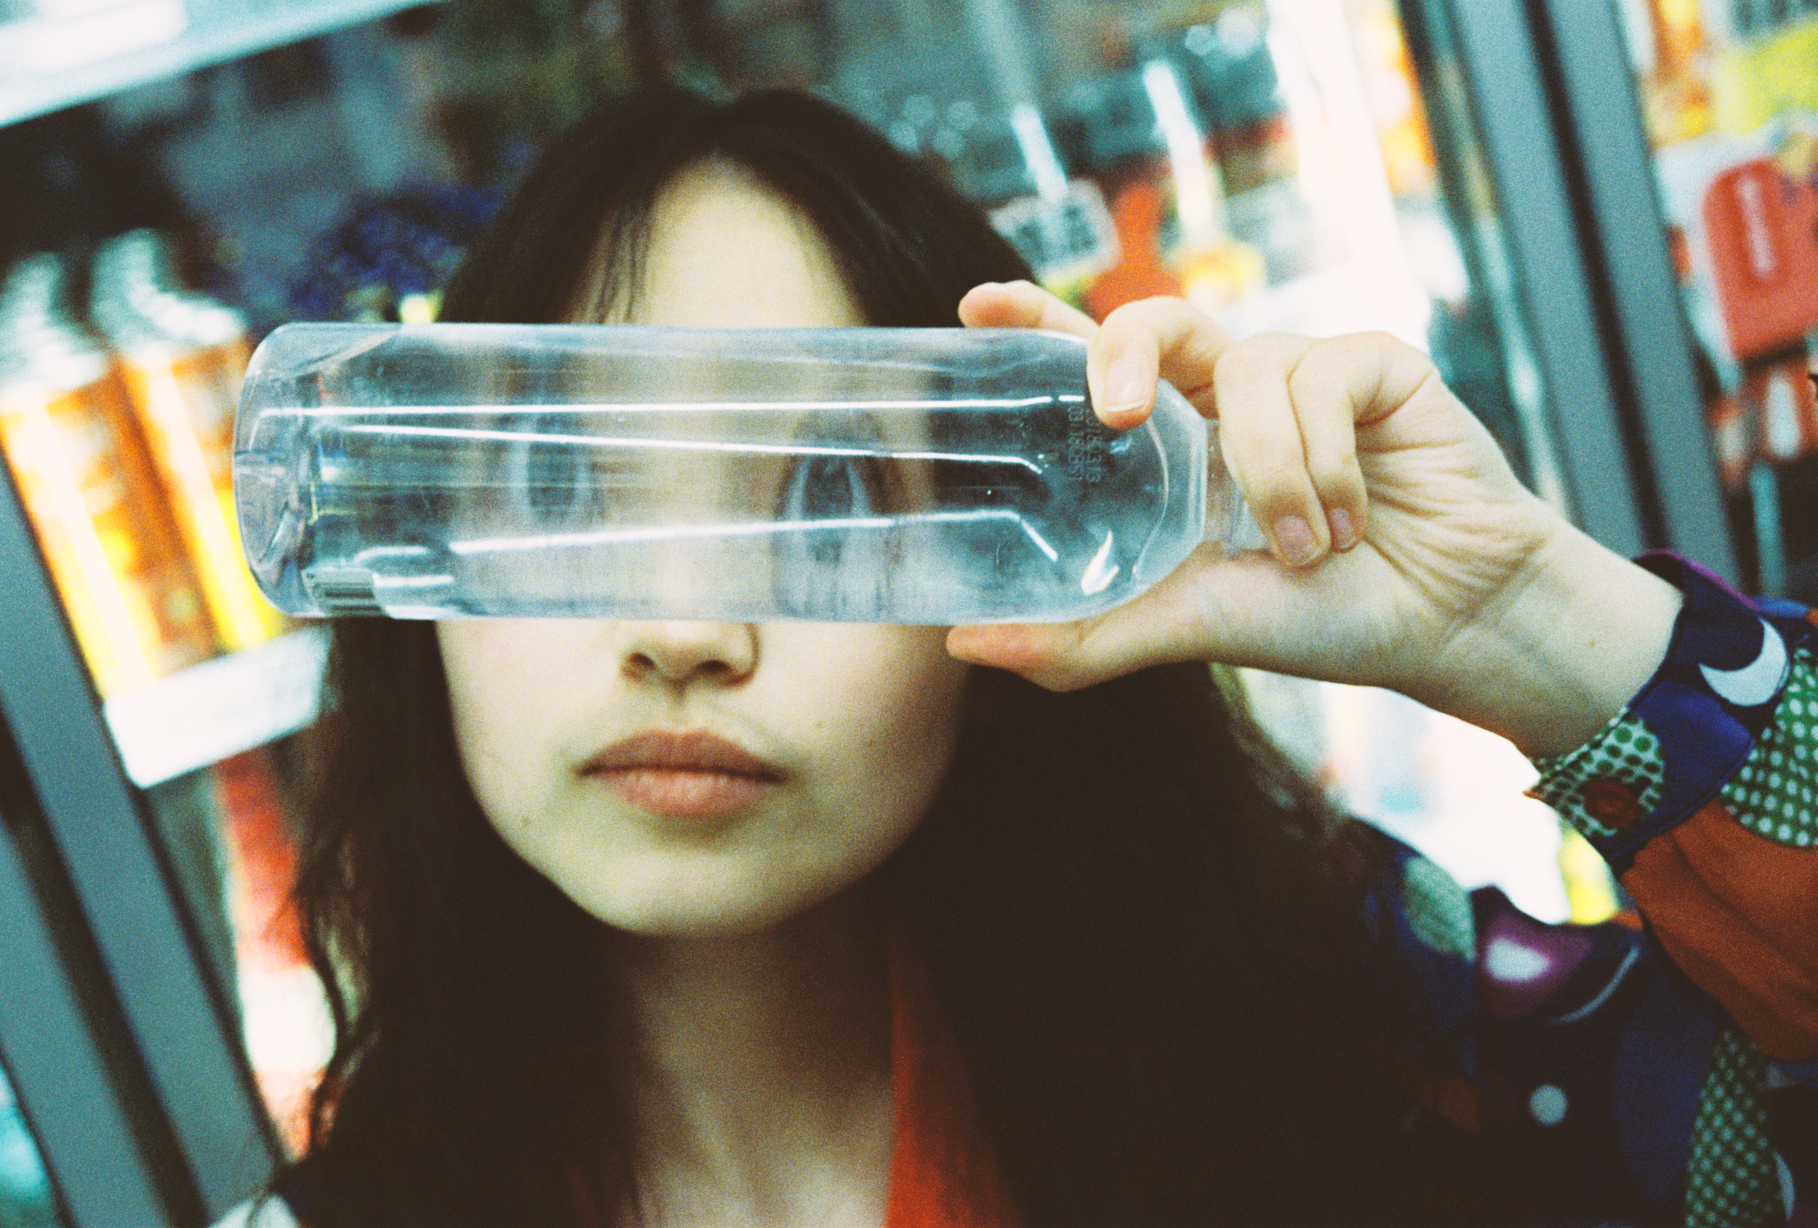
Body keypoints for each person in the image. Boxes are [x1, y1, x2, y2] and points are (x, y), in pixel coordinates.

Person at [223, 88, 1818, 1228]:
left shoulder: (1354, 1031)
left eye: (832, 500)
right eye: (562, 493)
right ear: (414, 577)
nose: (684, 631)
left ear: (1023, 557)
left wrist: (1525, 628)